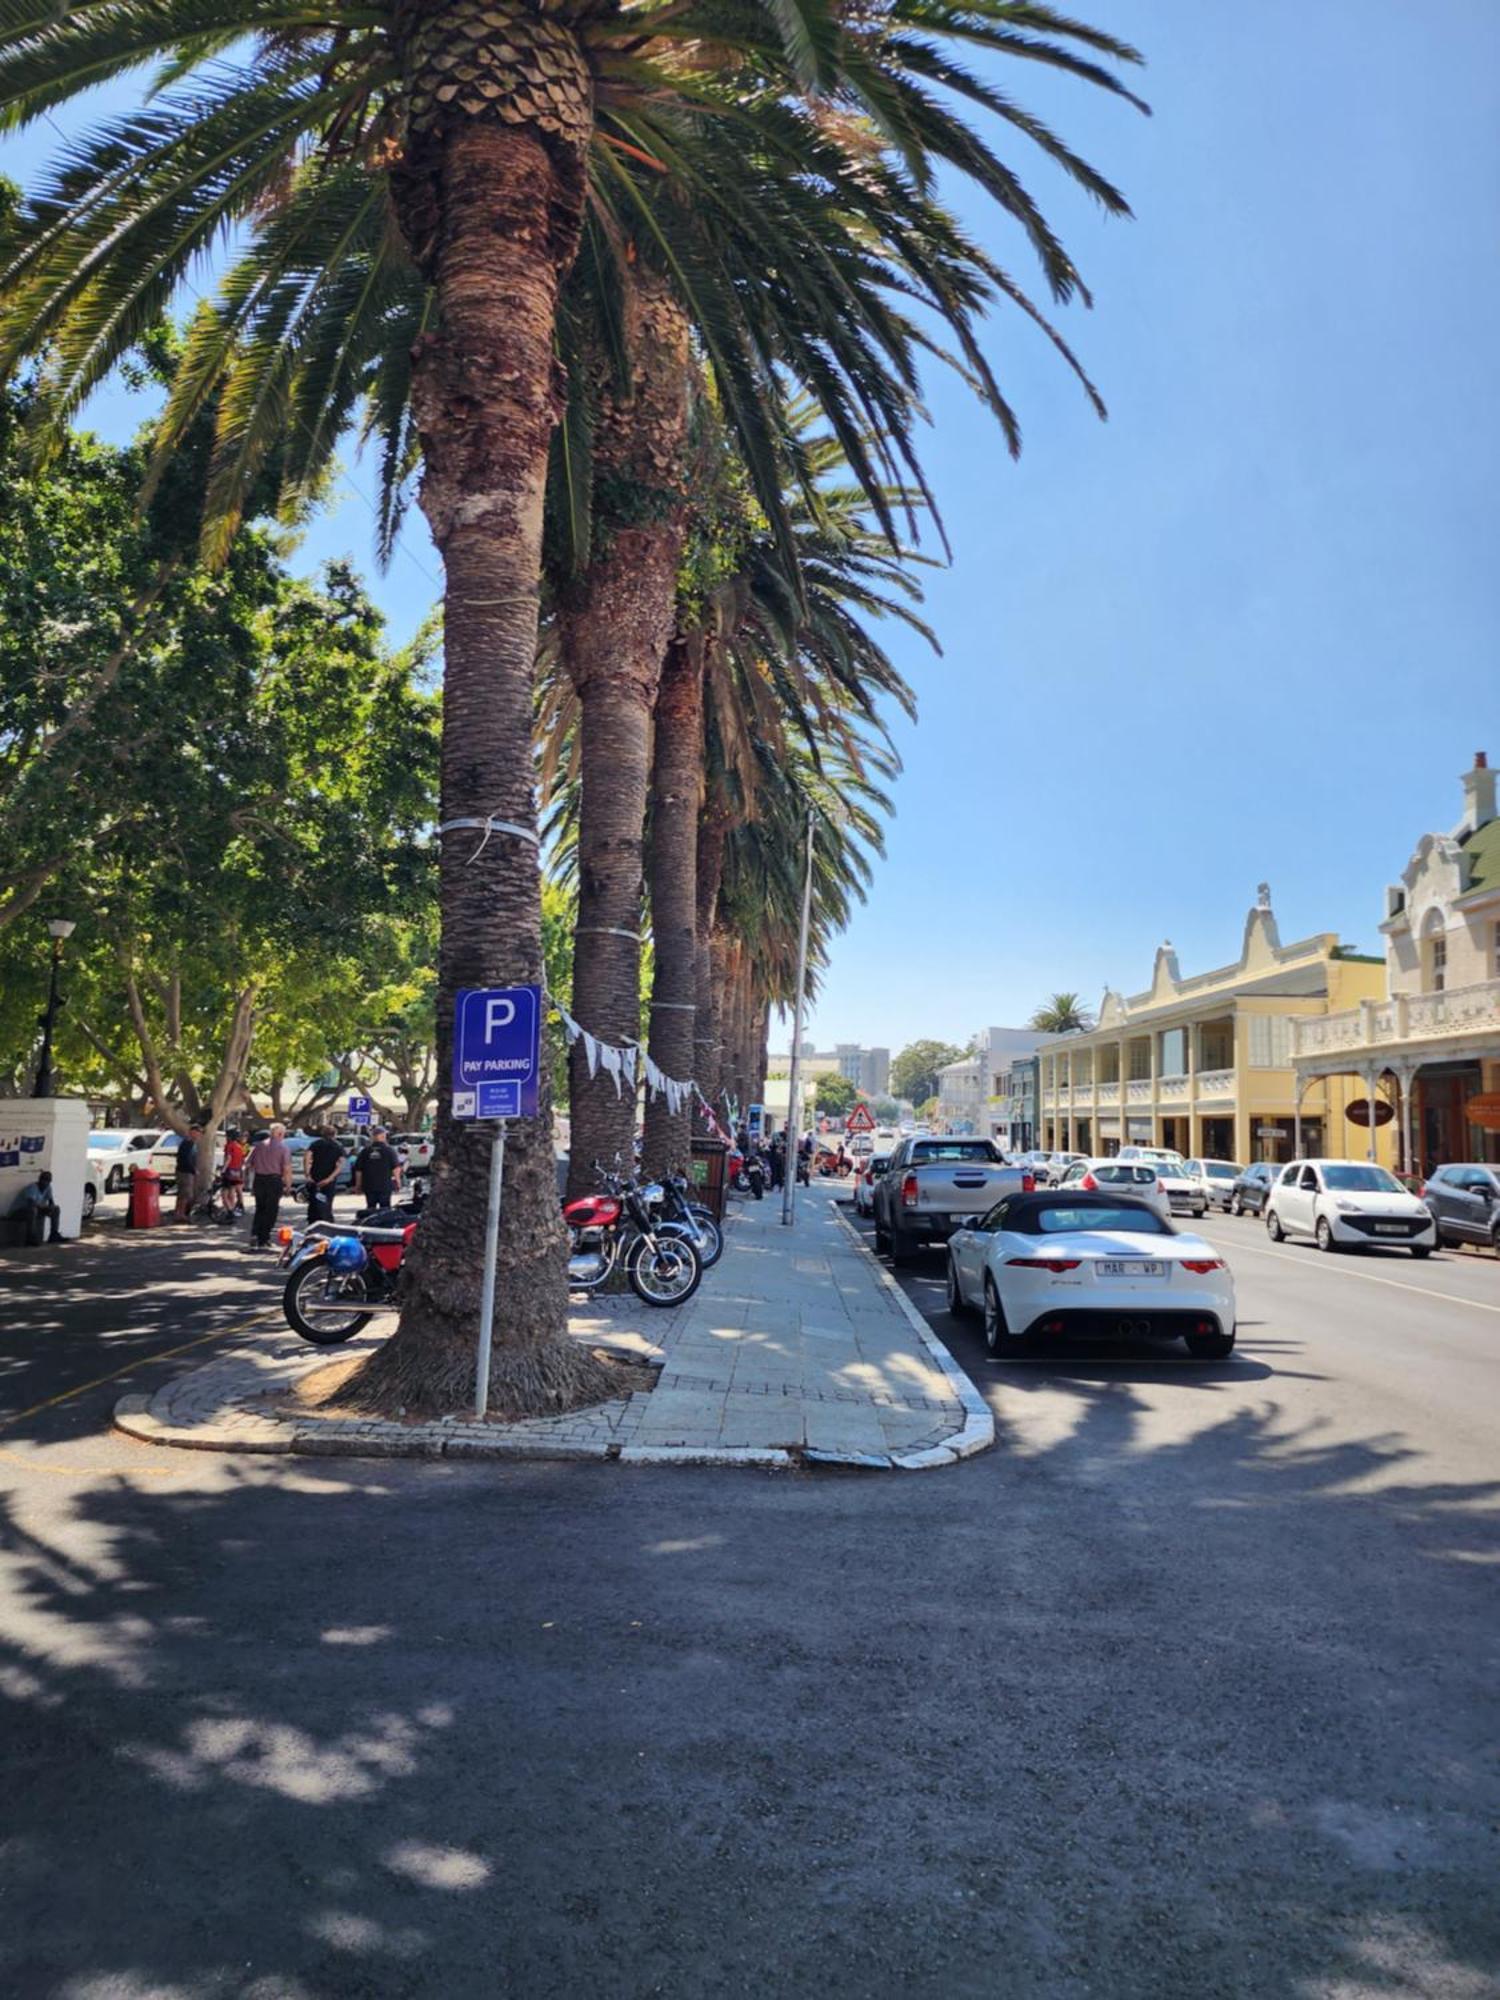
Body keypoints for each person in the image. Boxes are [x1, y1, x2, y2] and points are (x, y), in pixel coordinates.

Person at [247, 1122, 293, 1249]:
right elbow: (287, 1168)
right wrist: (288, 1185)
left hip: (259, 1179)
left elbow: (248, 1164)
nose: (283, 1136)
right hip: (274, 1180)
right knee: (271, 1210)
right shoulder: (283, 1148)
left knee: (260, 1208)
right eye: (283, 1134)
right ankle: (264, 1238)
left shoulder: (259, 1146)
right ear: (279, 1134)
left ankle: (255, 1234)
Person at [353, 1126, 402, 1215]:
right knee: (385, 1209)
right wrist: (398, 1182)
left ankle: (371, 1225)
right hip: (384, 1185)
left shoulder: (365, 1151)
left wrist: (358, 1185)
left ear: (373, 1137)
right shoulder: (389, 1150)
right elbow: (396, 1168)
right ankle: (383, 1226)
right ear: (383, 1136)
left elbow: (358, 1170)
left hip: (369, 1185)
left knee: (370, 1208)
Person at [303, 1124, 344, 1224]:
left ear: (322, 1133)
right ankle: (327, 1223)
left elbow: (307, 1157)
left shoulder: (315, 1144)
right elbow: (340, 1164)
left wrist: (308, 1174)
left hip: (315, 1178)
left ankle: (312, 1224)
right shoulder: (338, 1146)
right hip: (328, 1180)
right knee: (327, 1203)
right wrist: (330, 1178)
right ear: (335, 1134)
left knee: (313, 1203)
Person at [14, 1169, 64, 1245]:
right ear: (40, 1180)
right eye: (44, 1180)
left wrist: (51, 1208)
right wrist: (45, 1207)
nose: (46, 1183)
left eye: (48, 1181)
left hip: (36, 1210)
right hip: (19, 1212)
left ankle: (54, 1234)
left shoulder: (48, 1188)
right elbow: (31, 1204)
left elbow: (51, 1201)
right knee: (32, 1210)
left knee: (56, 1209)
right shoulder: (32, 1188)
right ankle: (30, 1238)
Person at [173, 1123, 204, 1220]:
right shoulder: (187, 1143)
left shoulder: (193, 1144)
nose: (199, 1135)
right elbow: (186, 1159)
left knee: (183, 1194)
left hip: (187, 1171)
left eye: (200, 1133)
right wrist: (193, 1169)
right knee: (186, 1194)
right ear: (192, 1132)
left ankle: (178, 1213)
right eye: (198, 1132)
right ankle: (180, 1213)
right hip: (184, 1172)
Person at [220, 1129, 246, 1217]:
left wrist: (223, 1170)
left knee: (224, 1193)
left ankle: (230, 1210)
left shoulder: (229, 1145)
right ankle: (232, 1208)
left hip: (229, 1171)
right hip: (237, 1172)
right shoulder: (239, 1147)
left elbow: (228, 1158)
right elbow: (242, 1160)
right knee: (232, 1191)